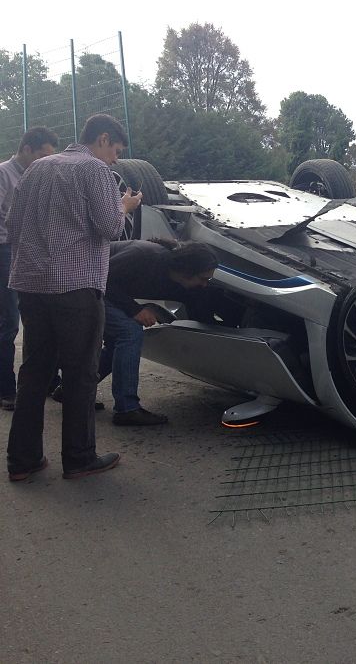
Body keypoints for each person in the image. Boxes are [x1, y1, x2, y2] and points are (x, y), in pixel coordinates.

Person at [6, 114, 142, 481]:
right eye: (115, 150)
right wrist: (124, 207)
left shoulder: (36, 168)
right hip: (76, 288)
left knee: (34, 372)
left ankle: (23, 460)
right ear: (102, 139)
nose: (115, 159)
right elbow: (110, 227)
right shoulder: (94, 170)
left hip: (31, 286)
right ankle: (80, 457)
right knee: (81, 372)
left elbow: (14, 224)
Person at [98, 238, 218, 426]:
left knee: (118, 343)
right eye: (203, 278)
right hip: (86, 286)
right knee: (129, 331)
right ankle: (127, 410)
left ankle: (73, 390)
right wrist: (134, 309)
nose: (205, 284)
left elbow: (201, 315)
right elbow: (101, 278)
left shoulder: (190, 285)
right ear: (187, 271)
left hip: (109, 289)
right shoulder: (145, 256)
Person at [0, 127, 59, 410]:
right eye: (42, 156)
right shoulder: (3, 174)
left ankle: (45, 380)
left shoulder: (39, 177)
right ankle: (6, 390)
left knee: (39, 318)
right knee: (9, 322)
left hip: (31, 250)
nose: (45, 162)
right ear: (25, 149)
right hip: (5, 250)